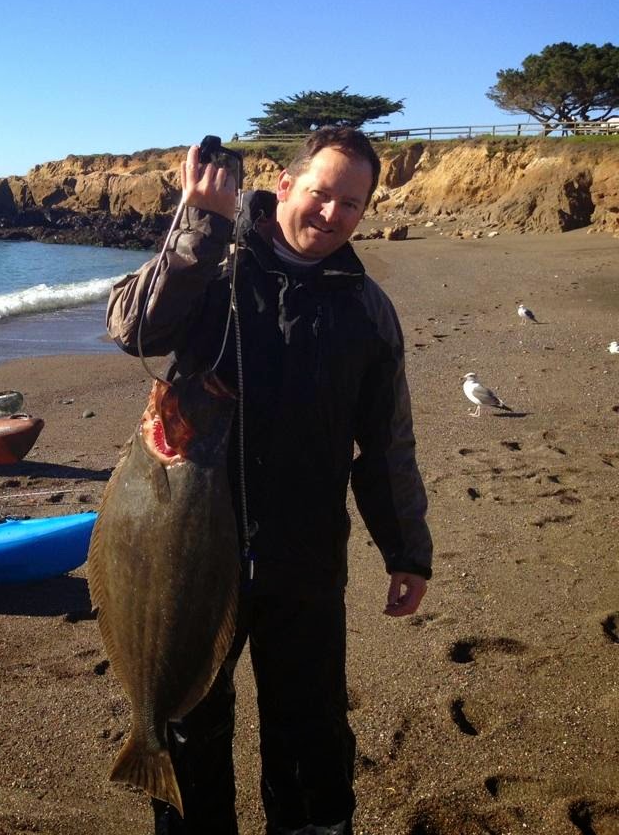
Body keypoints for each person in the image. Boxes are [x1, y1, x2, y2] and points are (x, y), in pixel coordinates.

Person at [106, 127, 433, 835]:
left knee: (310, 737)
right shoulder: (213, 268)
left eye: (351, 204)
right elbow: (134, 328)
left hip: (306, 560)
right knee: (189, 732)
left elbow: (385, 444)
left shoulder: (367, 309)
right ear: (283, 187)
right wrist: (197, 229)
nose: (331, 214)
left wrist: (406, 548)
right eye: (320, 193)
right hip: (191, 559)